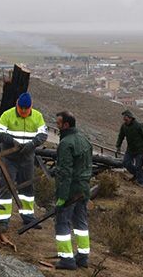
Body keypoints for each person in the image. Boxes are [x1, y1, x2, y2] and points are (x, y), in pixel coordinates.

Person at [0, 92, 48, 231]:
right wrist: (12, 141)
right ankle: (3, 220)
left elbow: (43, 134)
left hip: (27, 159)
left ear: (30, 107)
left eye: (26, 109)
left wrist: (32, 143)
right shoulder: (7, 115)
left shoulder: (37, 116)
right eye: (21, 108)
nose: (23, 111)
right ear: (17, 105)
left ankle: (28, 218)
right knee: (6, 186)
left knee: (27, 187)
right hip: (9, 158)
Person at [53, 111, 93, 270]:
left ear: (66, 125)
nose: (57, 126)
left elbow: (65, 173)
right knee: (80, 223)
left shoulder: (66, 143)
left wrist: (62, 197)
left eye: (58, 123)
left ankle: (67, 259)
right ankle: (83, 257)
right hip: (83, 188)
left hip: (70, 190)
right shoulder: (84, 140)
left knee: (62, 223)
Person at [116, 109, 143, 186]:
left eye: (126, 119)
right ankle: (137, 175)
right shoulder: (124, 126)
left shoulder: (139, 125)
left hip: (140, 150)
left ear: (130, 118)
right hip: (130, 150)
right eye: (124, 119)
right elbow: (120, 136)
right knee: (126, 163)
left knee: (138, 166)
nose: (124, 120)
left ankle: (141, 182)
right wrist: (118, 146)